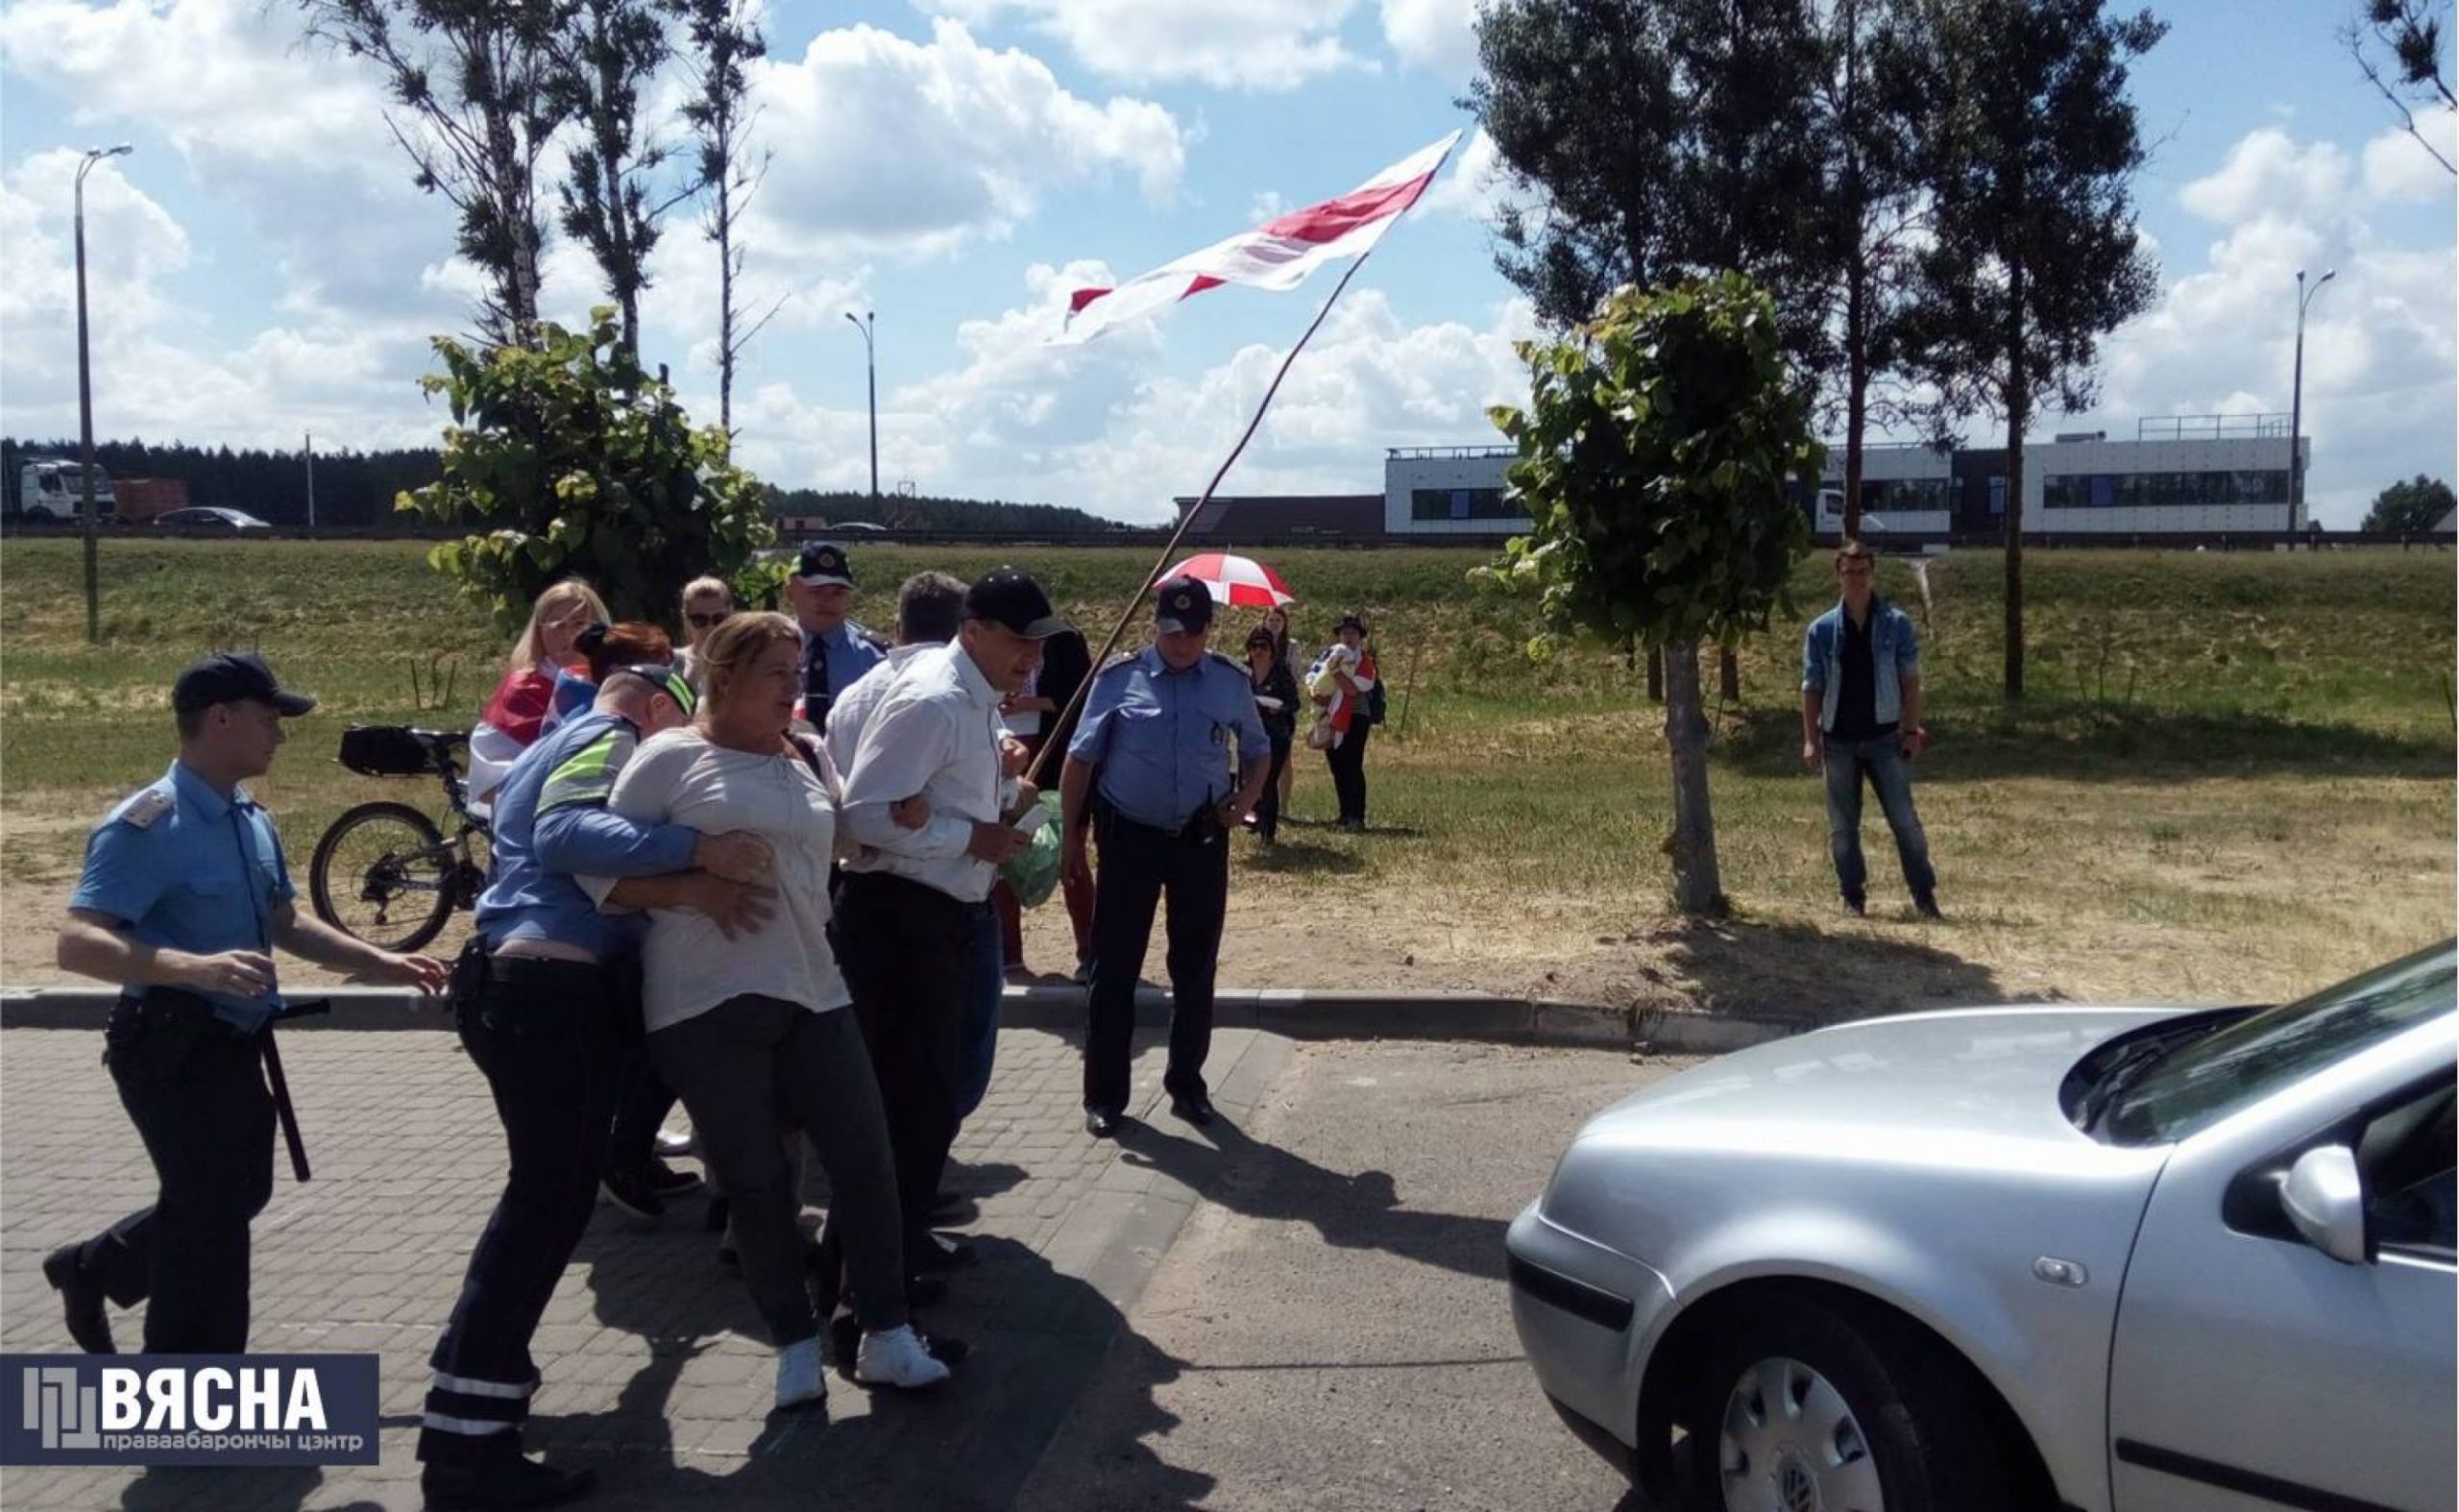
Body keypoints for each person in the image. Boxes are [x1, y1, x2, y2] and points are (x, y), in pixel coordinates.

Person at [418, 624, 774, 1509]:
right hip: (546, 991)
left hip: (529, 985)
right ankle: (467, 1436)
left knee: (546, 1198)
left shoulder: (562, 738)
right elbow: (572, 833)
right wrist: (696, 851)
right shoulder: (604, 738)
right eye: (675, 730)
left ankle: (476, 1392)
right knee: (543, 1203)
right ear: (657, 704)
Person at [595, 612, 957, 1409]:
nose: (797, 689)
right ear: (723, 678)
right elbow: (597, 877)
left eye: (800, 674)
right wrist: (693, 885)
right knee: (758, 1185)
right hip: (702, 1003)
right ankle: (793, 1347)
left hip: (814, 986)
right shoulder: (667, 759)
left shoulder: (804, 754)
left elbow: (839, 847)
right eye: (779, 675)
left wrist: (917, 814)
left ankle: (887, 1334)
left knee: (867, 1163)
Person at [43, 653, 449, 1361]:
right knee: (210, 1221)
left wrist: (381, 962)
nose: (280, 738)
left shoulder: (248, 819)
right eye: (269, 721)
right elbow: (78, 944)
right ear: (221, 719)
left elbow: (285, 921)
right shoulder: (147, 824)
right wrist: (190, 967)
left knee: (235, 1197)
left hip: (233, 1042)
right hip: (167, 1046)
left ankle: (95, 1268)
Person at [834, 569, 1060, 1271]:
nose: (1033, 656)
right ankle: (864, 1283)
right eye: (1021, 640)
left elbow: (935, 792)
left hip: (941, 914)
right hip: (901, 920)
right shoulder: (933, 700)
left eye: (1040, 643)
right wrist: (969, 839)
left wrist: (998, 792)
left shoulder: (974, 697)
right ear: (974, 631)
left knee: (925, 1111)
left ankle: (896, 1257)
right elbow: (866, 815)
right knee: (902, 1111)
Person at [1062, 576, 1270, 1138]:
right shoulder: (1117, 680)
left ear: (1209, 630)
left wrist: (1247, 800)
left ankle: (1187, 1085)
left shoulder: (1228, 682)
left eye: (1194, 631)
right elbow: (1080, 762)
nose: (1182, 642)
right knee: (1114, 969)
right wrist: (1071, 841)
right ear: (1156, 627)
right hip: (1129, 838)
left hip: (1200, 840)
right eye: (1172, 631)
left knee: (1195, 967)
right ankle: (1105, 1096)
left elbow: (1257, 749)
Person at [1800, 540, 1940, 919]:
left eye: (1863, 572)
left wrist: (1910, 731)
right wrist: (1811, 741)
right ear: (1838, 576)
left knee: (1905, 821)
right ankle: (1852, 898)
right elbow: (1812, 687)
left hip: (1884, 739)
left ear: (1873, 575)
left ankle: (1924, 896)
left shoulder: (1895, 624)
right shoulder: (1822, 630)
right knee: (1843, 827)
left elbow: (1910, 680)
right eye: (1849, 572)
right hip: (1839, 741)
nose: (1857, 579)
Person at [470, 578, 608, 804]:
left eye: (580, 624)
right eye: (558, 626)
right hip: (534, 806)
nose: (570, 636)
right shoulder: (523, 688)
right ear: (540, 632)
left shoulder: (616, 679)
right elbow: (494, 778)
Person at [789, 541, 889, 733]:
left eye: (838, 592)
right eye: (816, 591)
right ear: (790, 592)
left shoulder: (877, 658)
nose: (827, 601)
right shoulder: (768, 649)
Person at [1314, 613, 1379, 831]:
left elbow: (1353, 689)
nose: (1348, 637)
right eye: (1345, 633)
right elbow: (1318, 681)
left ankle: (1356, 817)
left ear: (1359, 637)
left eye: (1352, 633)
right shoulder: (1330, 657)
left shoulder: (1365, 662)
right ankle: (1344, 813)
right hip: (1333, 715)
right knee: (1337, 765)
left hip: (1356, 716)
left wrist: (1335, 673)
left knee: (1352, 765)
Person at [1244, 625, 1300, 844]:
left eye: (1263, 646)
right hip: (1249, 733)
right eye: (1254, 646)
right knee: (1249, 780)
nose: (1258, 651)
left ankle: (1269, 832)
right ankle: (1256, 819)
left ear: (1271, 650)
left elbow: (1294, 703)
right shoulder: (1242, 672)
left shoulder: (1281, 673)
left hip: (1276, 732)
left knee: (1268, 781)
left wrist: (1281, 708)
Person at [1264, 605, 1301, 813]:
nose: (1274, 624)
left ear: (1284, 624)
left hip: (1284, 706)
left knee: (1285, 757)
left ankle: (1284, 806)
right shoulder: (1258, 644)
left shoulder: (1292, 647)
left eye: (1278, 620)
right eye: (1271, 620)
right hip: (1262, 704)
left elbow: (1296, 676)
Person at [673, 574, 735, 690]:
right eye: (700, 620)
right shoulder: (673, 663)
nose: (710, 628)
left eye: (718, 619)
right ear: (686, 619)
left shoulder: (746, 662)